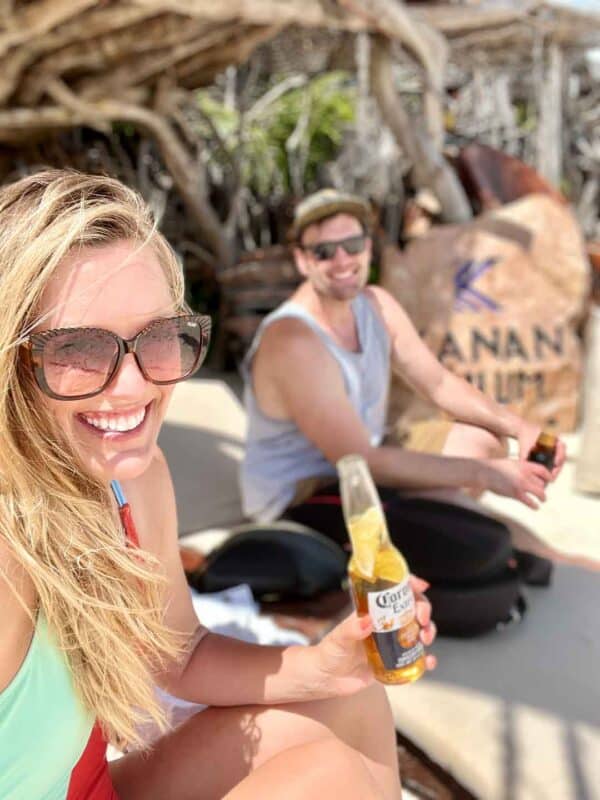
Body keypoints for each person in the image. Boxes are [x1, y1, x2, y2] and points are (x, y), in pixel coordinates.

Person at [0, 170, 437, 800]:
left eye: (158, 337)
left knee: (350, 702)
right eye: (77, 348)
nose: (133, 386)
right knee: (327, 781)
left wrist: (321, 665)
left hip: (87, 786)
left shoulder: (136, 482)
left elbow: (177, 652)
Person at [240, 188, 567, 581]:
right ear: (302, 260)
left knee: (482, 442)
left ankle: (440, 522)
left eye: (352, 245)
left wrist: (520, 427)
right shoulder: (294, 339)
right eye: (324, 251)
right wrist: (487, 475)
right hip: (302, 494)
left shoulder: (375, 304)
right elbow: (360, 460)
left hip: (364, 465)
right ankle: (446, 529)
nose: (342, 260)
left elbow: (440, 382)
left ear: (367, 247)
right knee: (479, 540)